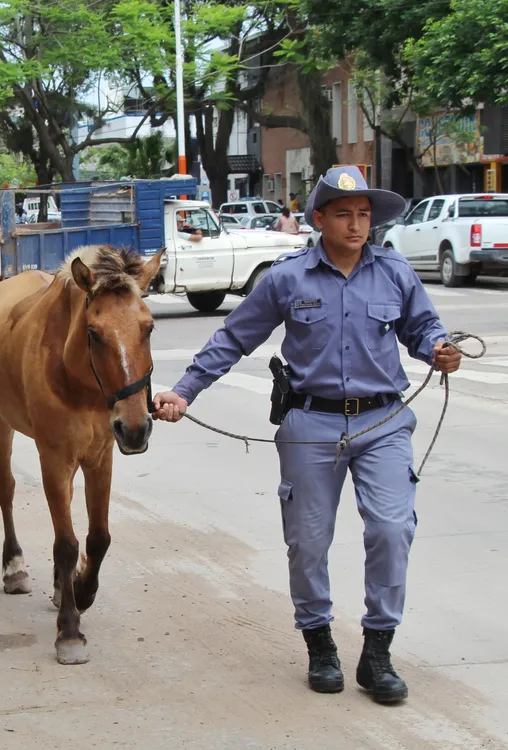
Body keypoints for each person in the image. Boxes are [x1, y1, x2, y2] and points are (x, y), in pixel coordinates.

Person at [152, 166, 462, 704]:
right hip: (309, 425)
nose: (357, 224)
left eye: (364, 214)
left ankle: (377, 651)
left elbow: (422, 329)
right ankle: (319, 643)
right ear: (319, 219)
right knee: (308, 540)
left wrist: (440, 349)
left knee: (392, 529)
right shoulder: (286, 276)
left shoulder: (393, 271)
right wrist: (184, 391)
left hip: (383, 421)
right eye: (344, 214)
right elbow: (234, 337)